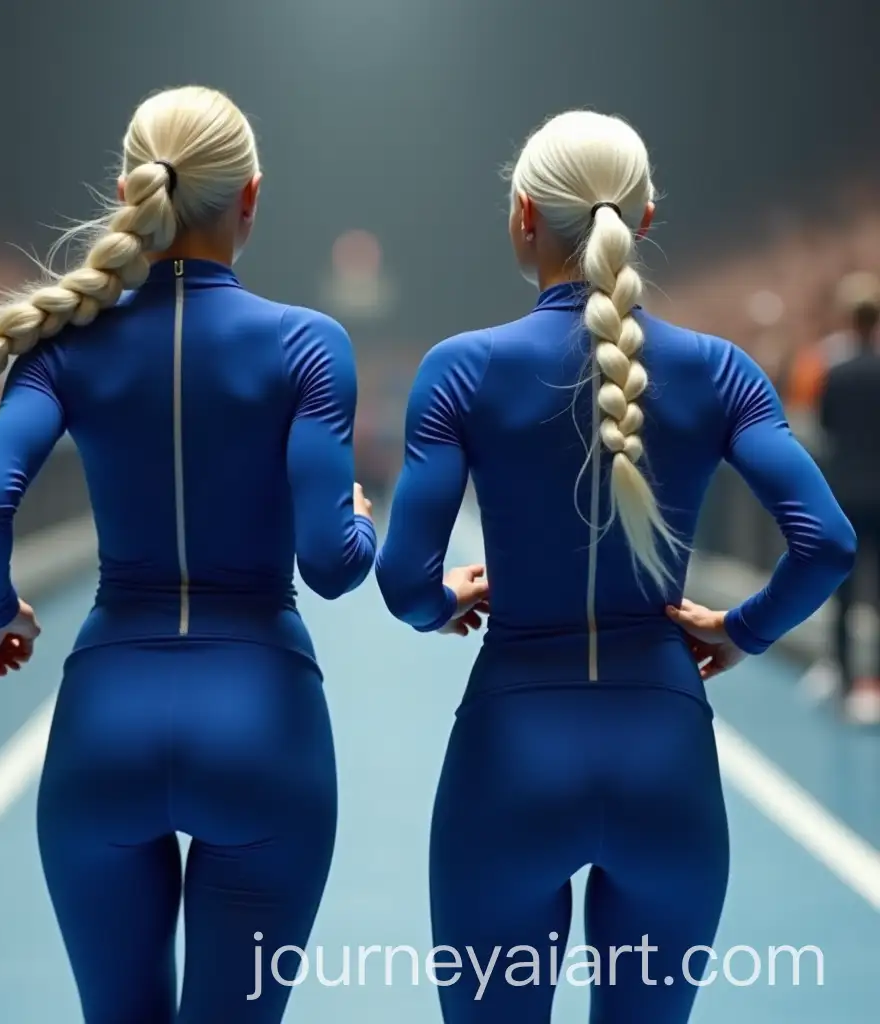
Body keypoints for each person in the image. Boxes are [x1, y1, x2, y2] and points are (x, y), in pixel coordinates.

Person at [0, 86, 376, 1024]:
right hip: (263, 722)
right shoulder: (309, 345)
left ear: (131, 192)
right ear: (250, 197)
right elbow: (333, 564)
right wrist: (362, 518)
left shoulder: (66, 346)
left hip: (104, 724)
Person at [375, 110, 856, 1023]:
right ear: (644, 218)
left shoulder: (461, 370)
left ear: (524, 215)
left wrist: (444, 604)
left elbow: (404, 582)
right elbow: (826, 542)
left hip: (509, 752)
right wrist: (742, 631)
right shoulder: (720, 370)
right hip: (665, 752)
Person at [819, 271, 880, 724]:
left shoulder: (836, 373)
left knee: (844, 590)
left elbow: (826, 426)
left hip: (844, 492)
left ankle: (844, 679)